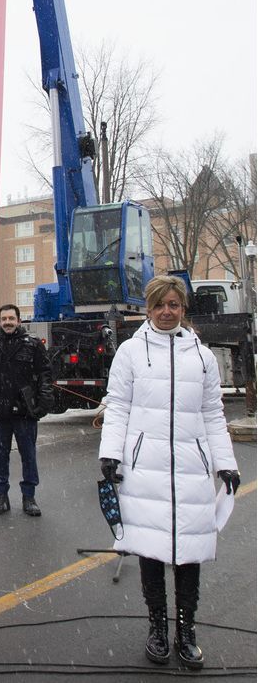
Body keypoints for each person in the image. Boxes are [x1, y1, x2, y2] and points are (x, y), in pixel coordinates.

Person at [98, 275, 239, 670]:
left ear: (183, 309)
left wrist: (225, 462)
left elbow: (213, 414)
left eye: (174, 305)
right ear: (148, 307)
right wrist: (110, 454)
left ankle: (186, 630)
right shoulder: (129, 352)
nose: (166, 312)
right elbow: (118, 407)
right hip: (145, 469)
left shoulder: (203, 357)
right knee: (150, 551)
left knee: (190, 552)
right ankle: (158, 628)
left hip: (192, 469)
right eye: (159, 305)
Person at [0, 303, 53, 517]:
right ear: (0, 321)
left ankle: (29, 498)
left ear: (19, 321)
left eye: (11, 318)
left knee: (28, 456)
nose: (8, 322)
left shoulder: (33, 345)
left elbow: (46, 375)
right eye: (4, 319)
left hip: (25, 412)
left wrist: (42, 405)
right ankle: (0, 497)